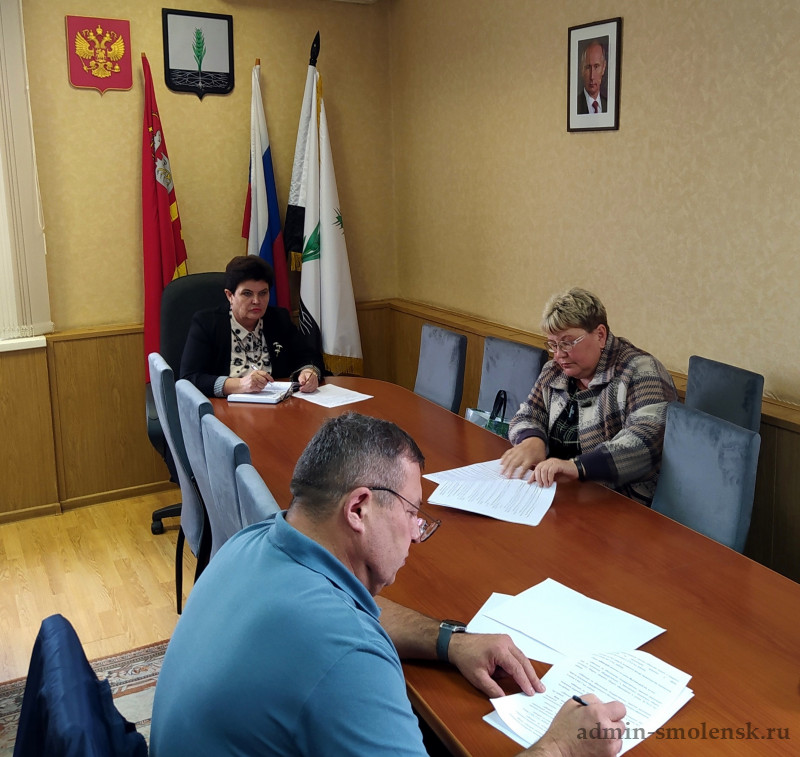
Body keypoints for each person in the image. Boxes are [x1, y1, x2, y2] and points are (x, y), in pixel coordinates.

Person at [150, 412, 626, 757]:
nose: (417, 533)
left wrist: (450, 641)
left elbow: (355, 611)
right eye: (413, 511)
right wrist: (562, 746)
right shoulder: (348, 654)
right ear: (359, 508)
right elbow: (345, 639)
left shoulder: (254, 542)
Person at [501, 288, 677, 506]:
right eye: (553, 344)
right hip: (559, 493)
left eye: (567, 342)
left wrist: (577, 467)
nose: (559, 354)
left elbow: (645, 441)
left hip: (619, 504)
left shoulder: (641, 371)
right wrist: (531, 440)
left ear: (600, 335)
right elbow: (527, 414)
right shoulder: (555, 370)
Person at [180, 255, 324, 397]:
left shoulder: (278, 319)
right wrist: (239, 385)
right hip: (226, 406)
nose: (256, 301)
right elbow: (189, 378)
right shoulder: (207, 323)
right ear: (230, 295)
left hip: (277, 405)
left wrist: (308, 372)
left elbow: (308, 356)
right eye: (247, 294)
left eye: (263, 293)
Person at [577, 39, 608, 115]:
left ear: (603, 68)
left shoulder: (608, 105)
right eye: (588, 67)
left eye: (596, 66)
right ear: (582, 69)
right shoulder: (576, 104)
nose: (592, 76)